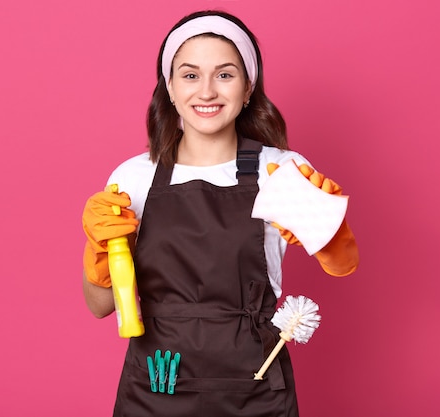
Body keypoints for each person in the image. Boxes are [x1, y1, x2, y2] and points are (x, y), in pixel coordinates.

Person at [82, 10, 359, 417]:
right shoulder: (133, 177)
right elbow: (101, 305)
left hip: (255, 390)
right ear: (170, 89)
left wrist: (331, 234)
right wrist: (99, 252)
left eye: (225, 75)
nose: (207, 91)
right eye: (190, 75)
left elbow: (344, 265)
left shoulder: (279, 170)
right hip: (156, 388)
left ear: (248, 88)